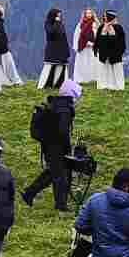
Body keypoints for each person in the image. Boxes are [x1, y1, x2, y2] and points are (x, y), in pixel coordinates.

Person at [22, 78, 79, 211]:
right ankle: (61, 206)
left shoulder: (55, 103)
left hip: (48, 144)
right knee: (60, 176)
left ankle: (29, 193)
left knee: (51, 173)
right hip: (57, 147)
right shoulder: (65, 108)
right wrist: (67, 148)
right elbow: (63, 131)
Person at [0, 3, 24, 87]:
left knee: (9, 63)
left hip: (3, 45)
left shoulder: (0, 20)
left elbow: (1, 10)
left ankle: (14, 79)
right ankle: (0, 80)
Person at [93, 11, 127, 91]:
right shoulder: (101, 27)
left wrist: (112, 34)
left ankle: (118, 86)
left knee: (117, 70)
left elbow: (120, 42)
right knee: (104, 69)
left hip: (115, 53)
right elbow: (98, 40)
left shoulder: (118, 28)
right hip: (104, 53)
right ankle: (104, 85)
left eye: (105, 16)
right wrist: (104, 32)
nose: (104, 17)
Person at [39, 8, 70, 88]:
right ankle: (43, 85)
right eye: (58, 15)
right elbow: (52, 32)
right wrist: (57, 22)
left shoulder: (60, 24)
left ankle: (59, 85)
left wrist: (66, 51)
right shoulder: (48, 24)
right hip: (52, 49)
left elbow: (63, 36)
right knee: (49, 67)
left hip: (61, 49)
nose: (59, 17)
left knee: (61, 67)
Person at [73, 8, 97, 78]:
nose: (89, 15)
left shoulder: (95, 24)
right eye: (87, 13)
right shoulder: (80, 24)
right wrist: (79, 45)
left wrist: (94, 43)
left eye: (90, 13)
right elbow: (77, 35)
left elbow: (97, 34)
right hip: (83, 47)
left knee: (92, 63)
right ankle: (82, 79)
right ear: (85, 14)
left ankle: (92, 78)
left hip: (92, 48)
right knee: (83, 63)